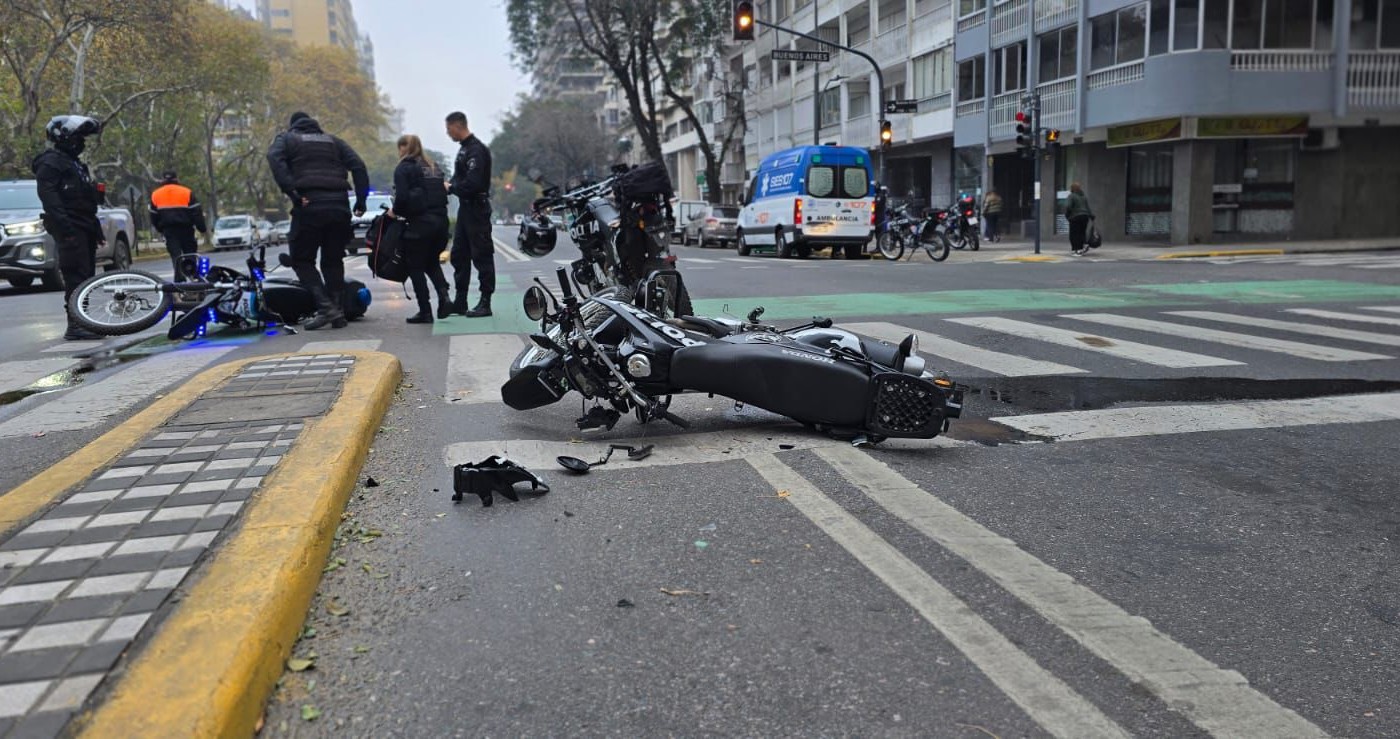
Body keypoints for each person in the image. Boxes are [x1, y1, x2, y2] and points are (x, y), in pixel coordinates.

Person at [266, 111, 368, 329]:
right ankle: (337, 311)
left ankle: (326, 308)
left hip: (309, 205)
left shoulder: (286, 140)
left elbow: (274, 158)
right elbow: (358, 166)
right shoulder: (334, 141)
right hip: (339, 206)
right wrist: (360, 200)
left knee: (301, 259)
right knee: (333, 260)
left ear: (293, 126)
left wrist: (292, 192)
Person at [33, 115, 105, 341]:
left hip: (85, 226)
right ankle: (75, 325)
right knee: (75, 275)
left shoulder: (75, 164)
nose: (81, 142)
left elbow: (86, 201)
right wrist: (67, 230)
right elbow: (50, 199)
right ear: (62, 137)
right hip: (70, 228)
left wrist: (97, 229)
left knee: (87, 276)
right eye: (77, 137)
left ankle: (85, 321)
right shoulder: (50, 163)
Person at [389, 134, 452, 323]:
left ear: (403, 148)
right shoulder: (433, 167)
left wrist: (394, 213)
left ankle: (425, 310)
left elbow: (401, 198)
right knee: (431, 262)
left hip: (419, 225)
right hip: (441, 223)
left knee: (415, 266)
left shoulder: (404, 168)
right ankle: (444, 296)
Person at [444, 111, 494, 317]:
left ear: (457, 126)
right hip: (465, 209)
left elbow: (473, 184)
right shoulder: (464, 150)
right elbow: (458, 178)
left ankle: (485, 302)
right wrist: (451, 185)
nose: (448, 134)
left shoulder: (476, 150)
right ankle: (460, 300)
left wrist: (451, 187)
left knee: (482, 255)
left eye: (449, 129)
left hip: (477, 208)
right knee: (459, 255)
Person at [149, 170, 207, 274]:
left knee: (176, 256)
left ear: (163, 179)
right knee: (190, 254)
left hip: (169, 230)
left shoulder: (156, 194)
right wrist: (202, 228)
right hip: (186, 229)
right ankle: (194, 278)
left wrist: (160, 228)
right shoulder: (186, 192)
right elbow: (196, 212)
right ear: (176, 179)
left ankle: (179, 281)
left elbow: (153, 215)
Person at [1064, 182, 1095, 256]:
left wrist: (1067, 215)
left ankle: (1076, 250)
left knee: (1074, 234)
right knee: (1082, 233)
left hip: (1075, 217)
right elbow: (1088, 208)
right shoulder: (1083, 197)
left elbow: (1068, 206)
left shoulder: (1071, 196)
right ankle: (1083, 245)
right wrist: (1091, 216)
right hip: (1085, 217)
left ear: (1072, 189)